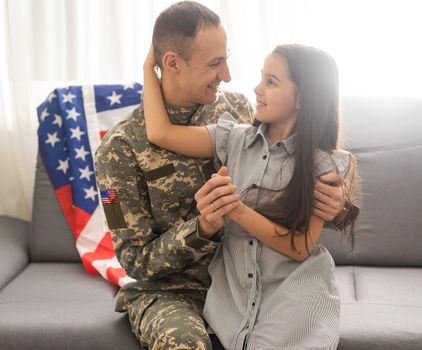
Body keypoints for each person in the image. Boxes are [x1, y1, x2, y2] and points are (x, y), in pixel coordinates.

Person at [95, 2, 349, 349]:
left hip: (246, 282)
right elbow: (134, 261)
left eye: (226, 58)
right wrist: (202, 227)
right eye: (215, 63)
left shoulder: (237, 109)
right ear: (171, 63)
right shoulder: (116, 152)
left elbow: (287, 176)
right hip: (175, 292)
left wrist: (338, 206)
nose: (228, 75)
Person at [142, 41, 360, 349]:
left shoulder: (324, 166)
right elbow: (160, 132)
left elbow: (299, 248)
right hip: (232, 300)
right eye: (261, 78)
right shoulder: (233, 139)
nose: (257, 89)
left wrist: (235, 209)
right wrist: (148, 68)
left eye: (271, 82)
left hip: (295, 295)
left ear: (303, 98)